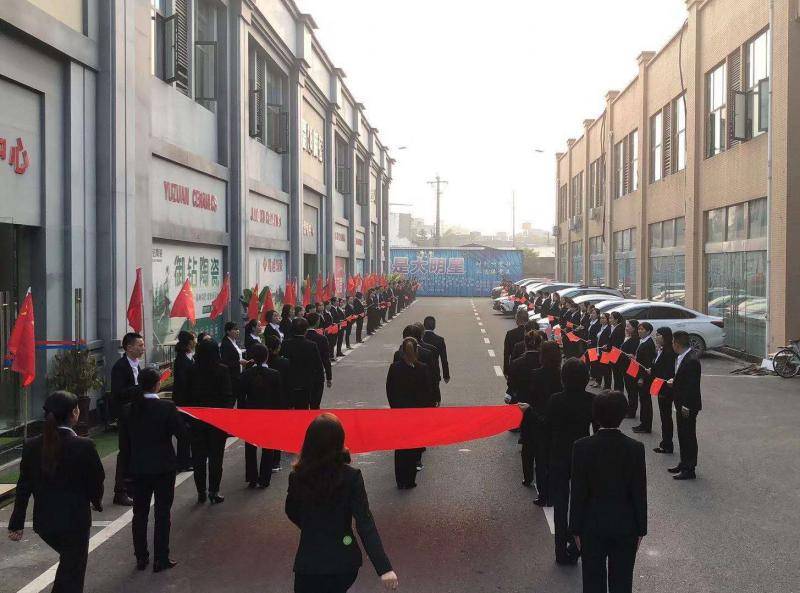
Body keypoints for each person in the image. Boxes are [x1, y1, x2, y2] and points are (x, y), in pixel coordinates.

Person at [286, 414, 398, 592]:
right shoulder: (351, 477)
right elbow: (365, 522)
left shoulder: (297, 477)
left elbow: (291, 510)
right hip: (344, 561)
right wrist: (384, 568)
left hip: (309, 562)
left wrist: (312, 526)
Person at [8, 391, 104, 593]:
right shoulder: (84, 445)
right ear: (74, 413)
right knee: (73, 573)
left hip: (45, 523)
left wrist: (16, 523)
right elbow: (96, 479)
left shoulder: (31, 445)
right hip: (75, 522)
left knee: (69, 566)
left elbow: (24, 486)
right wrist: (96, 501)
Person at [569, 390, 647, 593]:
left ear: (596, 415)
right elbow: (639, 492)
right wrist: (641, 529)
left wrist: (575, 528)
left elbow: (578, 491)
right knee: (622, 582)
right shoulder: (635, 448)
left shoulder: (581, 447)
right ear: (623, 414)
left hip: (591, 525)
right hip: (625, 525)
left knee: (593, 581)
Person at [119, 368, 186, 572]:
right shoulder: (167, 407)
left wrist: (125, 473)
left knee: (139, 513)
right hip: (163, 467)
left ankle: (141, 557)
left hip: (138, 467)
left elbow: (124, 446)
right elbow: (181, 434)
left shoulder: (129, 409)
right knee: (162, 514)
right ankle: (161, 558)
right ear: (158, 384)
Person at [545, 358, 596, 565]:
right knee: (581, 503)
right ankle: (576, 547)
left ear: (563, 378)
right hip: (583, 456)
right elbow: (598, 430)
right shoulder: (592, 400)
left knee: (560, 505)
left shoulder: (555, 400)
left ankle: (560, 551)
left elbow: (547, 427)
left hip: (559, 455)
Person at [186, 339, 233, 504]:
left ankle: (201, 492)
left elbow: (184, 395)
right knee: (216, 457)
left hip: (196, 420)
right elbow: (228, 396)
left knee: (198, 458)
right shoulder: (222, 370)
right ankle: (214, 490)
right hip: (217, 420)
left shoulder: (191, 370)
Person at [386, 337, 432, 489]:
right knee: (414, 447)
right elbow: (427, 392)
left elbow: (390, 390)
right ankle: (410, 479)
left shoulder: (394, 368)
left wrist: (394, 408)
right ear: (416, 351)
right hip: (416, 414)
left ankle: (400, 480)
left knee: (400, 447)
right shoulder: (422, 368)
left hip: (400, 413)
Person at [240, 343, 284, 488]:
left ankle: (252, 478)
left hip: (250, 414)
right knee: (268, 447)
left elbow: (241, 398)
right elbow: (278, 398)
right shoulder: (274, 374)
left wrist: (241, 415)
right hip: (269, 415)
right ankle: (265, 478)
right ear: (267, 357)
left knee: (250, 448)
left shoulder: (246, 375)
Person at [110, 332, 145, 506]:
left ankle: (132, 486)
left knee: (135, 450)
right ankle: (120, 490)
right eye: (140, 345)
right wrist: (140, 388)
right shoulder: (120, 367)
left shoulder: (137, 365)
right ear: (129, 347)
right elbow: (119, 393)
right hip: (125, 415)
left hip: (137, 414)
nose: (143, 348)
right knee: (125, 451)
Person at [667, 331, 702, 480]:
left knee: (688, 436)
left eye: (672, 342)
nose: (672, 345)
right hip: (680, 402)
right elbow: (683, 379)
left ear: (676, 343)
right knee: (682, 434)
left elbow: (692, 387)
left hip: (687, 405)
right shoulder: (682, 357)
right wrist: (674, 381)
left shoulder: (691, 360)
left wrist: (686, 406)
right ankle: (683, 463)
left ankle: (690, 469)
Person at [280, 316, 326, 410]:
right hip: (306, 383)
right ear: (305, 330)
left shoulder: (285, 344)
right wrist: (320, 382)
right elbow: (318, 365)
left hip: (289, 382)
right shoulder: (311, 345)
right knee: (303, 408)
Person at [649, 327, 677, 454]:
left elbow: (668, 372)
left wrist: (663, 388)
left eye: (658, 335)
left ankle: (667, 444)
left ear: (665, 337)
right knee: (664, 416)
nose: (656, 337)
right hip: (660, 385)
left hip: (665, 388)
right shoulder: (660, 350)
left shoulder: (669, 352)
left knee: (666, 417)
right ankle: (665, 442)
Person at [265, 334, 290, 471]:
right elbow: (289, 383)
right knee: (278, 430)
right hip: (281, 401)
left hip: (265, 402)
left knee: (267, 432)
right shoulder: (284, 363)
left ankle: (268, 460)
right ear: (278, 348)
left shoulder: (263, 363)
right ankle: (276, 462)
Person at [172, 330, 196, 471]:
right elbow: (182, 382)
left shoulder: (189, 357)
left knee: (189, 432)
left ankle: (188, 458)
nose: (195, 342)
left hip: (189, 400)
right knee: (184, 432)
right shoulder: (181, 360)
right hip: (184, 401)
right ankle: (183, 461)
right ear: (189, 343)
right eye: (193, 339)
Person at [304, 312, 333, 408]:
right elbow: (326, 359)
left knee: (303, 405)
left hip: (302, 375)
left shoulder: (302, 337)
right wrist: (329, 377)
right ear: (317, 322)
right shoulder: (322, 339)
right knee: (315, 404)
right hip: (317, 374)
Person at [632, 322, 657, 434]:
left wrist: (641, 378)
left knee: (645, 401)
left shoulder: (648, 344)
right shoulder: (642, 341)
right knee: (642, 400)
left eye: (642, 329)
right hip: (639, 373)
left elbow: (647, 363)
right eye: (639, 329)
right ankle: (643, 423)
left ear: (648, 331)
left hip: (645, 377)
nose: (639, 331)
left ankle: (646, 425)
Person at [221, 322, 246, 406]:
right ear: (228, 331)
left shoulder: (234, 341)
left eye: (237, 329)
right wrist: (238, 362)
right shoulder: (226, 344)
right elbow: (225, 362)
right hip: (232, 377)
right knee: (231, 401)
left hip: (238, 374)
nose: (237, 331)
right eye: (235, 329)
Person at [619, 320, 640, 418]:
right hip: (625, 367)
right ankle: (630, 408)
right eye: (626, 326)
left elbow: (633, 354)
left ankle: (632, 411)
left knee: (632, 391)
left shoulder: (635, 340)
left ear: (634, 328)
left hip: (631, 368)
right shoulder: (628, 337)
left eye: (628, 326)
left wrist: (627, 354)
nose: (626, 328)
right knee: (629, 389)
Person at [503, 308, 528, 377]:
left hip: (514, 366)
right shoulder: (532, 333)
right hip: (530, 368)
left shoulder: (510, 334)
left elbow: (506, 354)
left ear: (517, 320)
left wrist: (506, 370)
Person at [606, 312, 626, 394]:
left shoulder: (619, 329)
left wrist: (609, 348)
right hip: (613, 353)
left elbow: (617, 344)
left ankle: (618, 392)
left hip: (616, 355)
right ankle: (616, 391)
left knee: (618, 375)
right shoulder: (614, 327)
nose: (609, 320)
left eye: (611, 318)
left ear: (616, 319)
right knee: (616, 374)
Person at [595, 314, 613, 389]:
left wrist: (607, 345)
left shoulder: (609, 329)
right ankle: (598, 382)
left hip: (606, 351)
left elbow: (610, 340)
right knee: (599, 367)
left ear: (607, 320)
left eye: (603, 318)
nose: (601, 319)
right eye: (601, 318)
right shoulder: (601, 327)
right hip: (599, 349)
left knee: (606, 369)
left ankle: (607, 386)